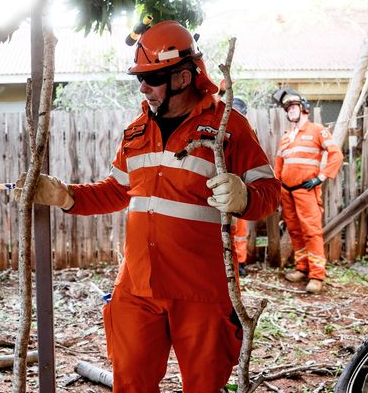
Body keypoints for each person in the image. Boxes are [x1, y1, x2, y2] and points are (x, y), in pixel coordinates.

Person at [17, 20, 280, 392]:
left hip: (203, 291)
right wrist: (64, 194)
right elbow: (115, 191)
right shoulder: (136, 132)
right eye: (139, 78)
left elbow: (270, 192)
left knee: (205, 387)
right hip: (137, 287)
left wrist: (246, 197)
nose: (143, 87)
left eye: (152, 78)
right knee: (131, 385)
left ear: (184, 78)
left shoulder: (228, 126)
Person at [273, 88, 343, 294]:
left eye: (294, 106)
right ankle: (302, 268)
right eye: (288, 108)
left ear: (304, 108)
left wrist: (320, 177)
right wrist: (276, 188)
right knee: (294, 231)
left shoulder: (317, 130)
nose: (291, 110)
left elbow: (336, 155)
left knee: (311, 232)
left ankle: (316, 275)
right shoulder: (286, 137)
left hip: (306, 190)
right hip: (287, 191)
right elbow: (278, 165)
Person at [231, 97, 250, 277]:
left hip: (242, 188)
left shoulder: (248, 135)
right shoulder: (219, 133)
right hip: (221, 188)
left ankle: (241, 261)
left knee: (241, 229)